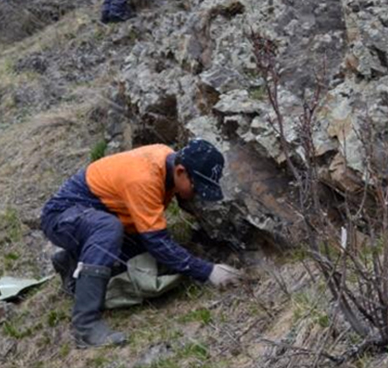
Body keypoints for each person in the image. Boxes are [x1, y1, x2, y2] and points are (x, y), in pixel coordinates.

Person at [40, 139, 242, 348]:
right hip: (62, 216)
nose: (197, 194)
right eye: (197, 187)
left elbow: (153, 237)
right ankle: (85, 326)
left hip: (96, 214)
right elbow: (158, 242)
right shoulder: (144, 178)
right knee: (109, 230)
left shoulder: (168, 163)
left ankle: (70, 262)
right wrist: (208, 272)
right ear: (181, 172)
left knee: (142, 253)